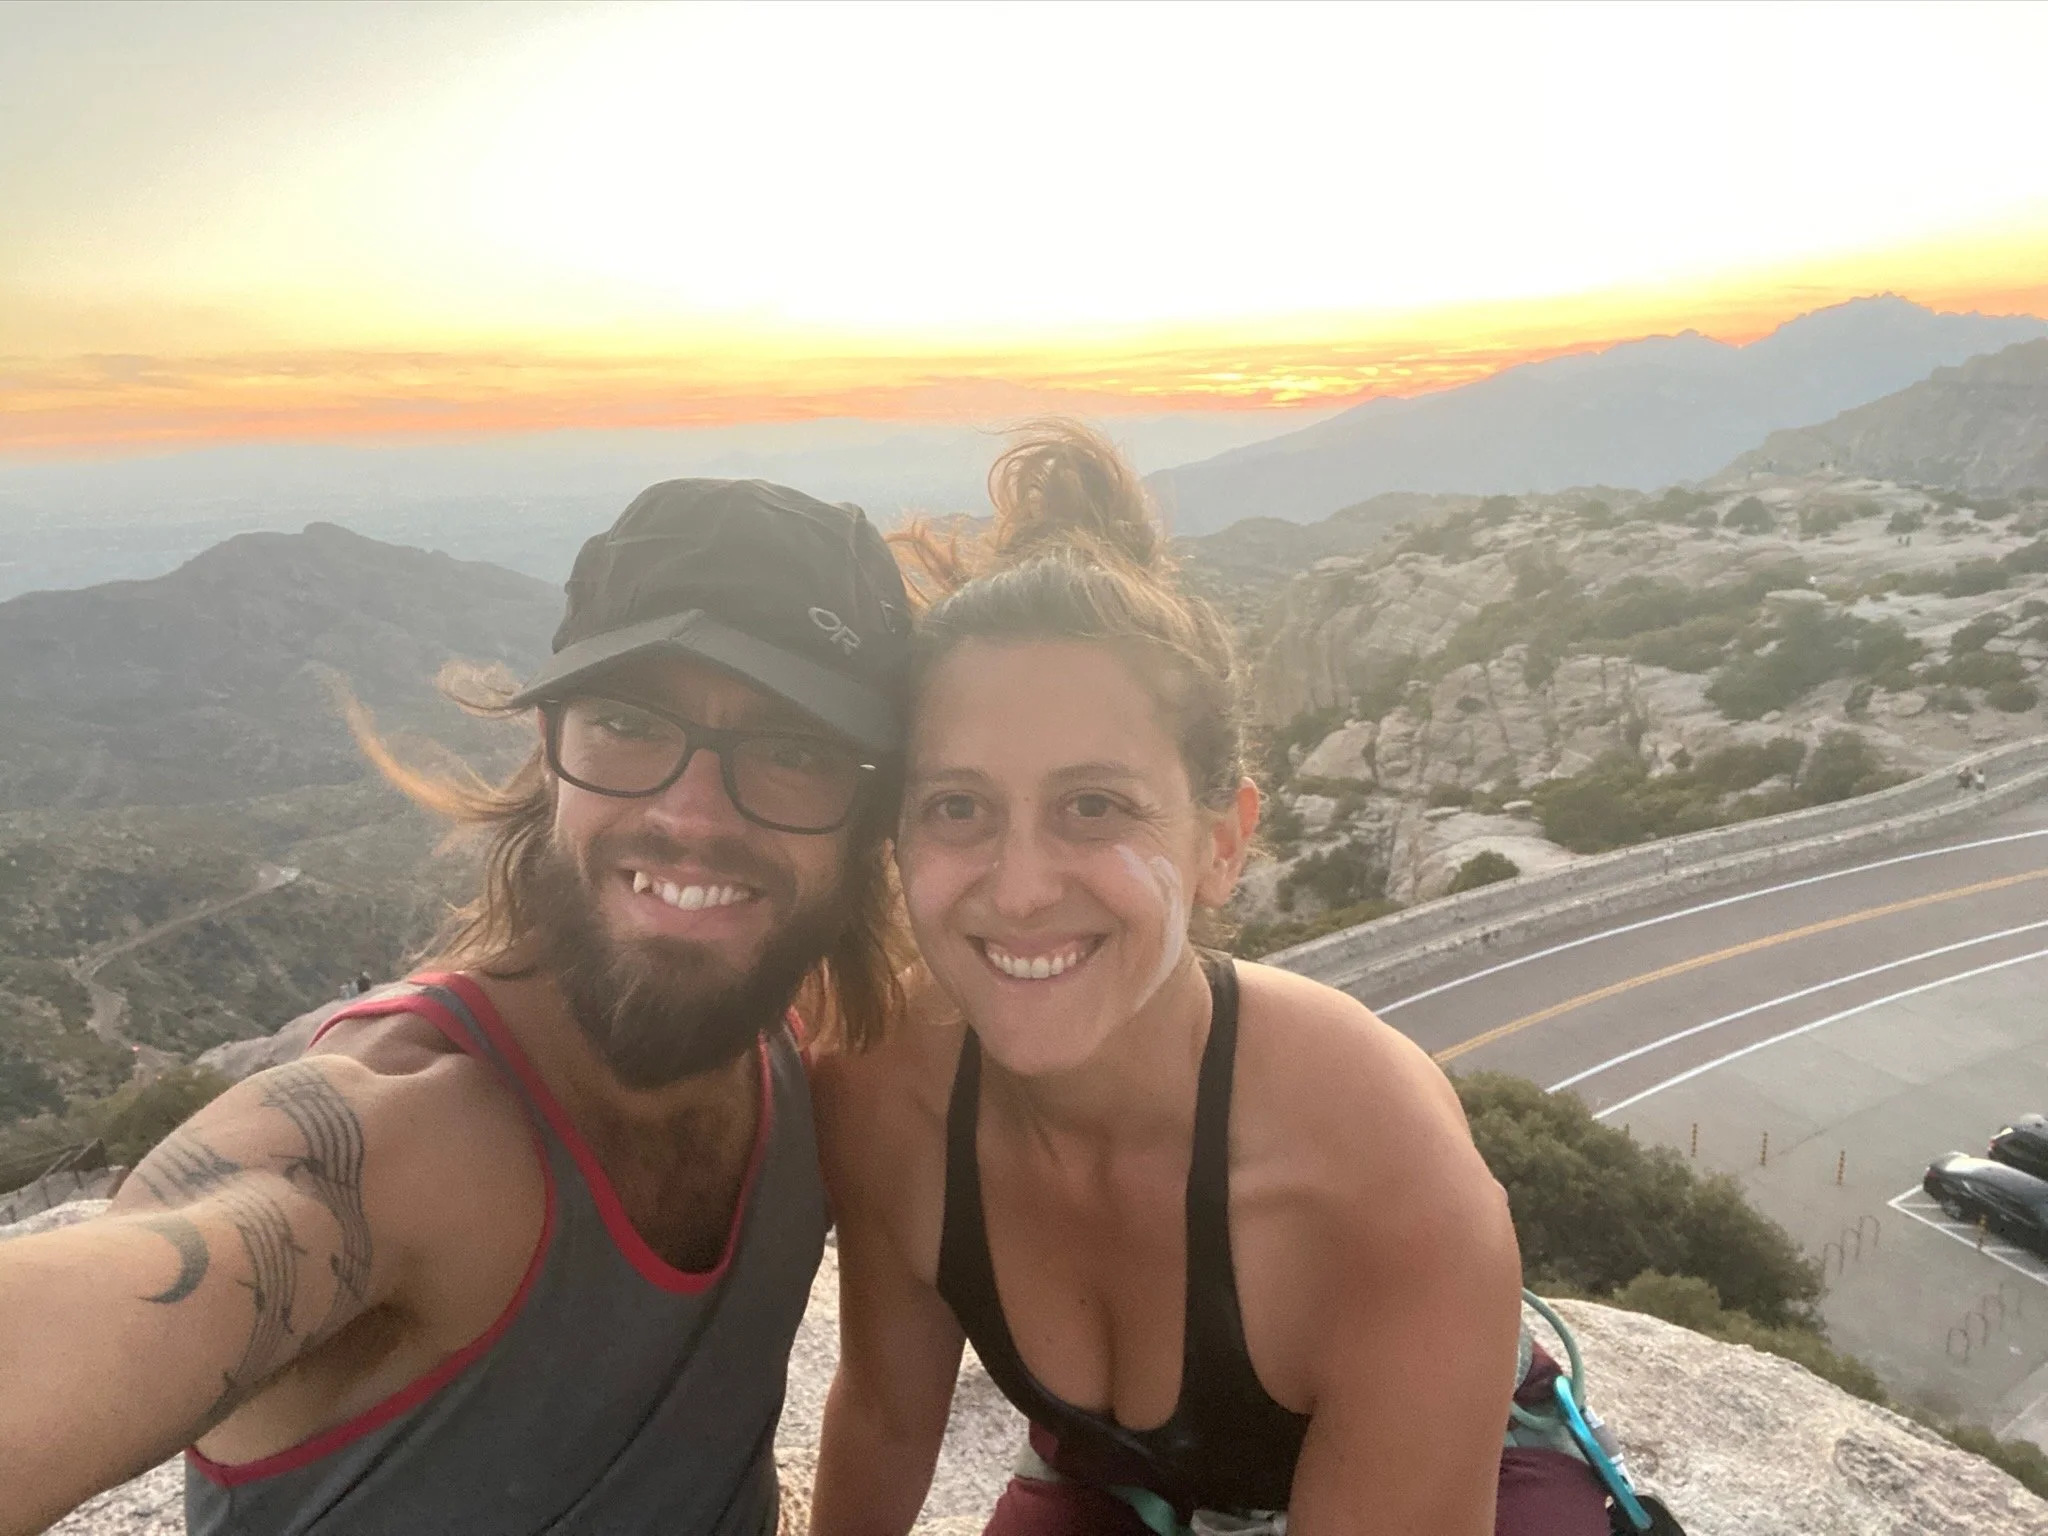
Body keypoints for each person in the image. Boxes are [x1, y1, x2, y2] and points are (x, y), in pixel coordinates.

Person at [0, 480, 912, 1535]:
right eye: (625, 722)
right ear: (547, 755)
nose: (689, 813)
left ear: (870, 821)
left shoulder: (817, 1074)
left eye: (793, 752)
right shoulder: (388, 1140)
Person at [810, 423, 1611, 1536]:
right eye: (957, 807)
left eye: (1095, 805)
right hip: (1121, 1487)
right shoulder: (885, 1092)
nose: (1022, 886)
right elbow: (890, 1417)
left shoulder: (1369, 1162)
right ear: (897, 837)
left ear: (1221, 842)